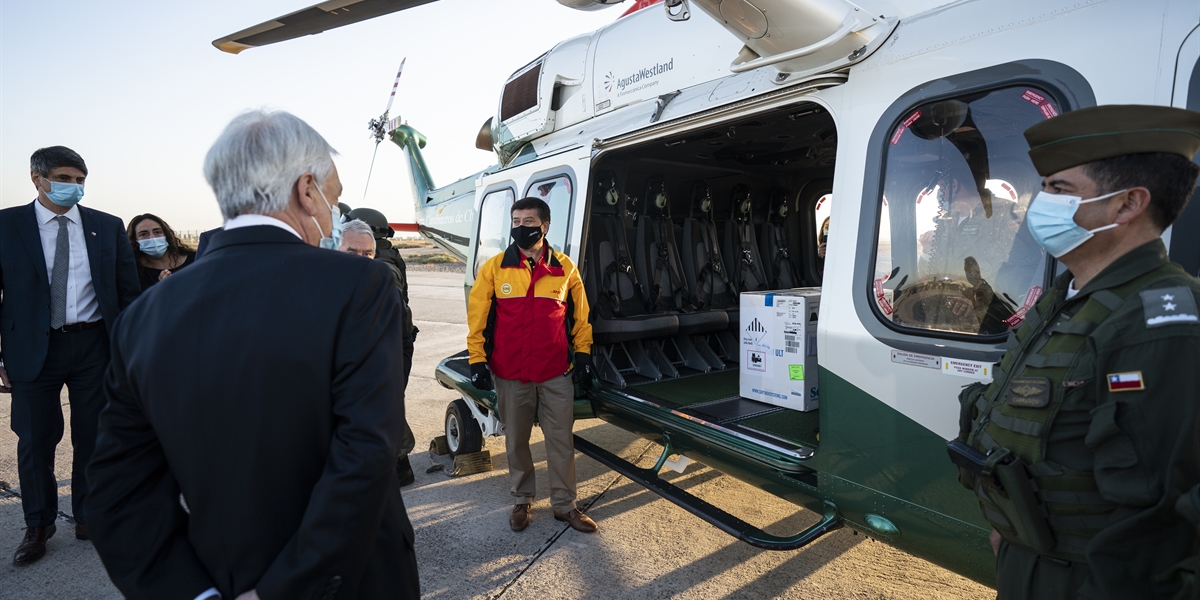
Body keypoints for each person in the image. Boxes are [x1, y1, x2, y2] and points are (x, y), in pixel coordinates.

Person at [85, 110, 419, 599]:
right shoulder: (357, 285)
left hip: (224, 575)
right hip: (353, 580)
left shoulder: (145, 315)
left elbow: (117, 491)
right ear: (306, 190)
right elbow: (366, 450)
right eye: (334, 198)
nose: (333, 214)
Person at [953, 104, 1200, 599]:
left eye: (1059, 189)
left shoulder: (1159, 323)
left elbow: (1164, 515)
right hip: (1034, 560)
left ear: (1127, 204)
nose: (1041, 205)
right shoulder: (1068, 297)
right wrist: (1012, 535)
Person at [0, 145, 141, 565]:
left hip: (94, 345)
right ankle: (38, 524)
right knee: (36, 439)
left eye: (80, 181)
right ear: (37, 178)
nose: (73, 187)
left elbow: (128, 293)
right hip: (32, 348)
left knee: (93, 436)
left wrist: (130, 349)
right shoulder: (7, 225)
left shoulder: (106, 226)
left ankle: (88, 515)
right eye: (64, 178)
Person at [467, 197, 596, 533]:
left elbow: (580, 317)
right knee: (516, 441)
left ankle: (565, 506)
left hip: (555, 372)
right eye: (516, 221)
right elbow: (477, 318)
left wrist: (583, 354)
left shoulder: (565, 268)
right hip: (510, 372)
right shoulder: (495, 268)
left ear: (544, 226)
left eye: (528, 222)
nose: (520, 227)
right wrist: (477, 359)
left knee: (561, 441)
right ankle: (522, 500)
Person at [338, 218, 418, 486]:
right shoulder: (322, 290)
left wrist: (396, 380)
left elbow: (403, 340)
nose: (361, 260)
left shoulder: (384, 286)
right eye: (352, 253)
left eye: (367, 254)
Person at [127, 213, 196, 290]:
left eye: (157, 232)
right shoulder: (134, 272)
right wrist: (161, 288)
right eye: (143, 234)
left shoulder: (195, 258)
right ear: (135, 241)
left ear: (166, 234)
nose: (152, 237)